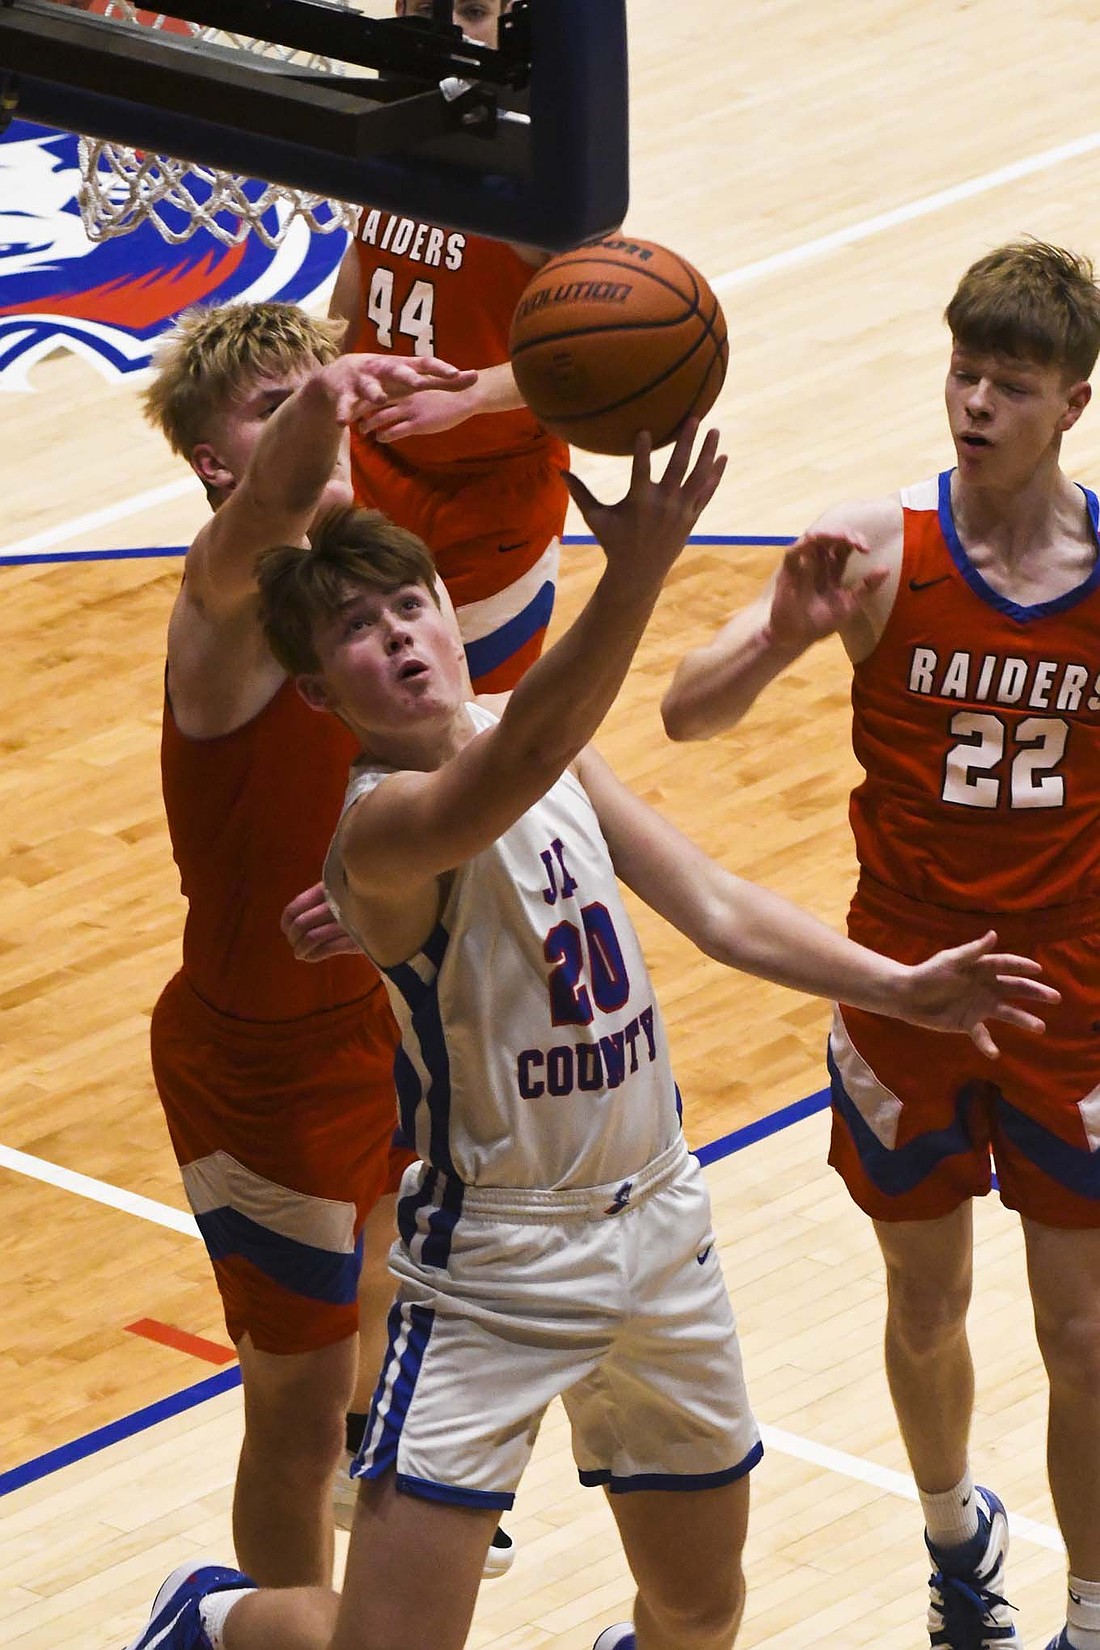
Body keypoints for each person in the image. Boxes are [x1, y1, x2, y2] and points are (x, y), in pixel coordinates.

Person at [124, 419, 1057, 1650]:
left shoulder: (539, 743)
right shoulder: (380, 829)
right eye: (359, 629)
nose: (401, 635)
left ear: (450, 613)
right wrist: (638, 569)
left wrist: (901, 987)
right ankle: (214, 1618)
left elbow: (716, 905)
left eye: (412, 605)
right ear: (315, 690)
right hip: (498, 1262)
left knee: (698, 1606)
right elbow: (518, 758)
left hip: (662, 1226)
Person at [660, 240, 1100, 1650]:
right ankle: (955, 1535)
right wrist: (782, 628)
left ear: (1072, 402)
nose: (975, 403)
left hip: (1070, 994)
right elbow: (686, 711)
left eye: (1011, 384)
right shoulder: (874, 552)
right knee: (928, 1301)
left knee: (1082, 1332)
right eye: (964, 372)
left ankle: (1092, 1610)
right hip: (903, 978)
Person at [141, 297, 477, 1587]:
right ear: (218, 463)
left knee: (410, 1281)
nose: (313, 419)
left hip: (386, 1013)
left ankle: (371, 1447)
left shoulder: (376, 593)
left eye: (318, 391)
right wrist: (329, 401)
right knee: (287, 1407)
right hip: (260, 1062)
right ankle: (253, 1618)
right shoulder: (226, 608)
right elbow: (267, 523)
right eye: (271, 408)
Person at [329, 0, 571, 694]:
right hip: (374, 468)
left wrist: (467, 401)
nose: (452, 31)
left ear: (511, 26)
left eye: (472, 11)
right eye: (432, 9)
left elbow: (584, 362)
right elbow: (366, 256)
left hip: (489, 496)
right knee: (356, 716)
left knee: (479, 732)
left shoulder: (538, 173)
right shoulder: (397, 128)